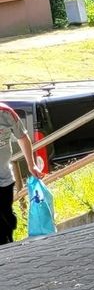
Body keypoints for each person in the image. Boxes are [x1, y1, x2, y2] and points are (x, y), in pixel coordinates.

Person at [1, 102, 39, 245]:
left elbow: (22, 137)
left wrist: (31, 165)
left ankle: (9, 251)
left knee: (6, 220)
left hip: (4, 179)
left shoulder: (5, 112)